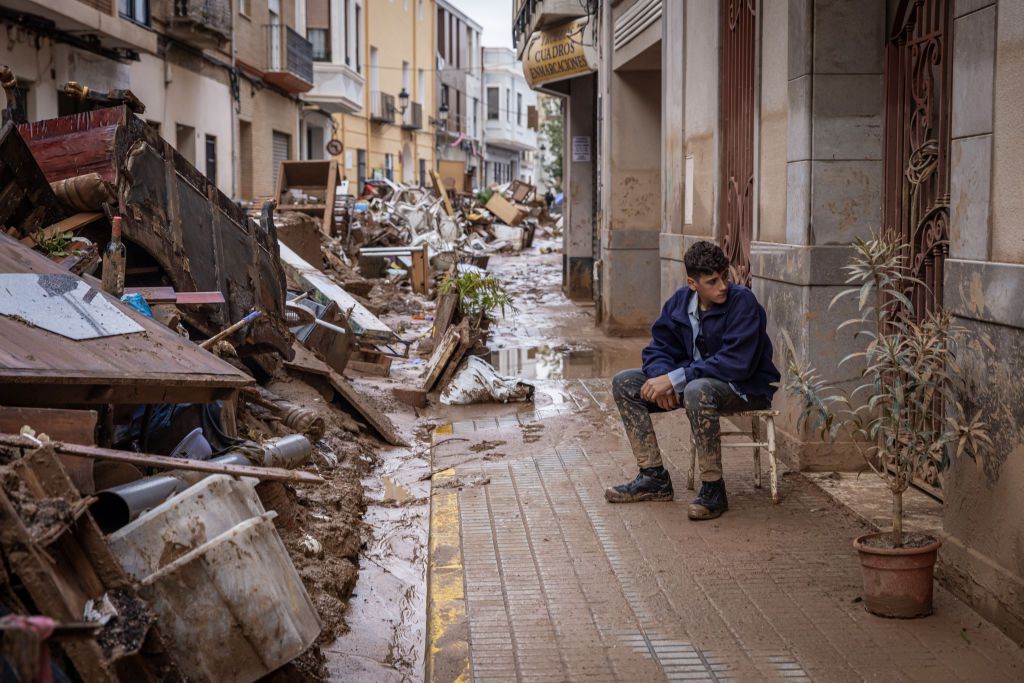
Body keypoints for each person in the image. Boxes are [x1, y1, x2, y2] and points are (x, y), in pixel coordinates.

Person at [605, 240, 780, 520]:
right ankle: (654, 477)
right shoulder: (679, 303)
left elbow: (736, 363)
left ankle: (713, 489)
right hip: (694, 385)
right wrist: (661, 378)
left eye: (725, 276)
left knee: (696, 389)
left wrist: (677, 380)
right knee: (625, 382)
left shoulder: (743, 302)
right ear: (692, 283)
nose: (722, 285)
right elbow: (658, 348)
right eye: (712, 281)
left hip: (745, 386)